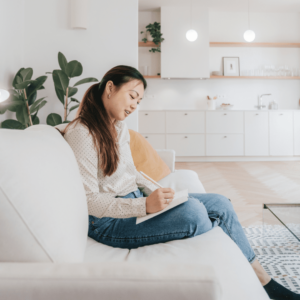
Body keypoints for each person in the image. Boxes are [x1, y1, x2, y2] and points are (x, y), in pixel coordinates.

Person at [57, 65, 299, 300]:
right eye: (132, 96)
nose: (134, 105)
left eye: (139, 101)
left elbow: (132, 172)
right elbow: (90, 201)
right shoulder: (82, 132)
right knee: (194, 211)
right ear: (110, 88)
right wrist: (144, 207)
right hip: (108, 223)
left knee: (220, 203)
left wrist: (158, 192)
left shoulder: (117, 126)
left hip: (134, 202)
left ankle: (266, 283)